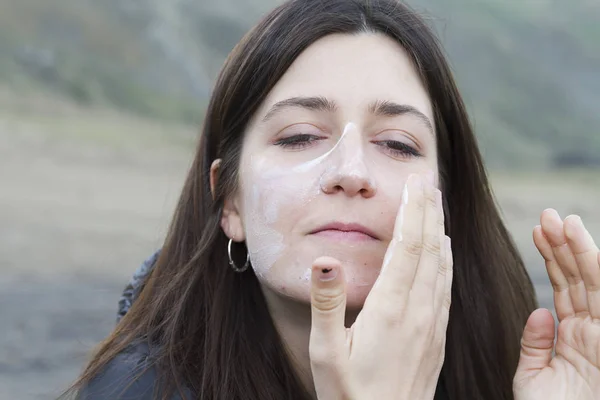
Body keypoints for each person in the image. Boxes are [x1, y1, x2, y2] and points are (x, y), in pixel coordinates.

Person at [65, 0, 600, 399]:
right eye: (299, 136)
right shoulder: (135, 389)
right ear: (228, 203)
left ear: (448, 202)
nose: (350, 171)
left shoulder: (512, 371)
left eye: (396, 143)